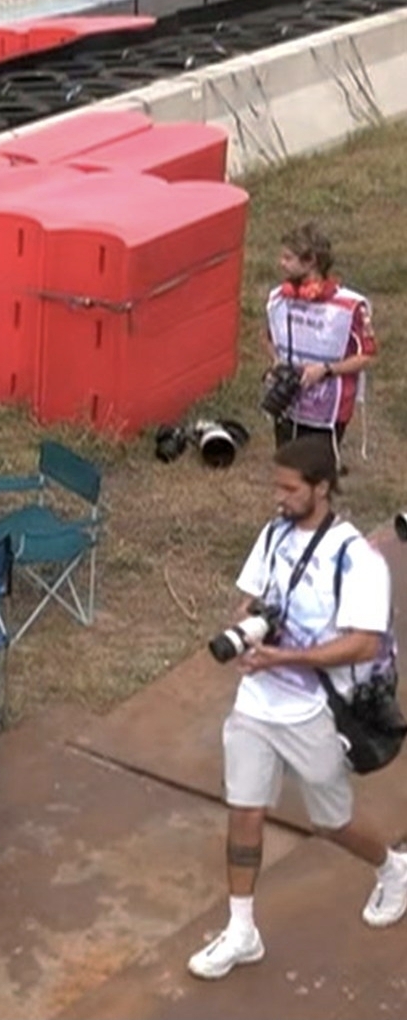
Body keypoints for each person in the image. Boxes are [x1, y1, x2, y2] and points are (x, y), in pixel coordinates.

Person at [188, 436, 407, 981]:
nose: (279, 497)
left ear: (322, 488)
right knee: (244, 811)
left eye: (289, 489)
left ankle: (393, 868)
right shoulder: (274, 533)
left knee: (333, 821)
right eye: (276, 487)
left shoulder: (357, 560)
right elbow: (249, 597)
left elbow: (363, 643)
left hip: (313, 710)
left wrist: (286, 656)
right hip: (256, 704)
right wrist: (249, 627)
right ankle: (242, 930)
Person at [263, 222, 376, 465]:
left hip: (329, 409)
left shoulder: (350, 306)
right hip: (287, 401)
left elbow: (366, 355)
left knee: (317, 473)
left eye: (288, 258)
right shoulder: (279, 299)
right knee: (287, 467)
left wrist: (326, 370)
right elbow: (270, 338)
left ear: (311, 261)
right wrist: (276, 362)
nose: (281, 263)